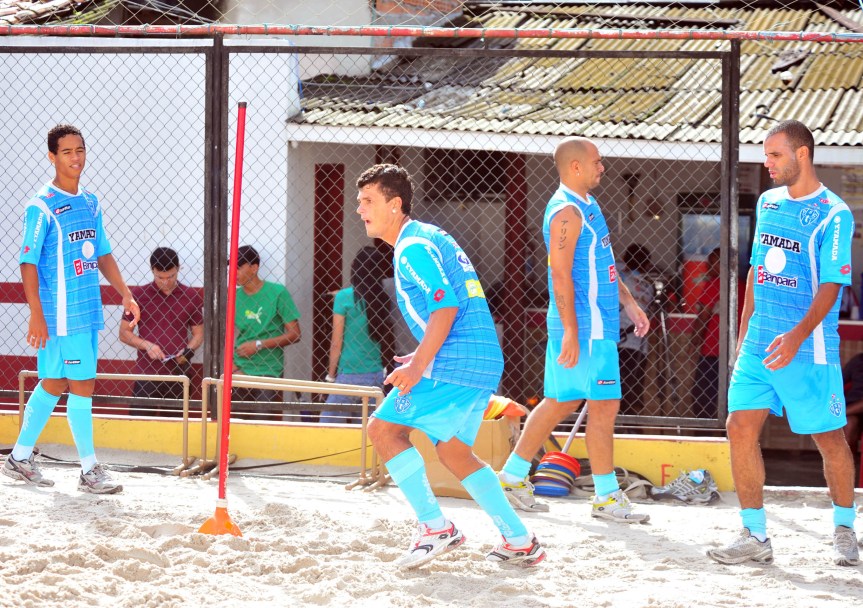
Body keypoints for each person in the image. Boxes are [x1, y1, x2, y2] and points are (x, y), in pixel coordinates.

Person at [356, 164, 545, 569]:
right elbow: (452, 305)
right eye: (359, 202)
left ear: (395, 204)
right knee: (456, 453)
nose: (360, 209)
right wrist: (422, 355)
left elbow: (446, 305)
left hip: (455, 361)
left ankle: (435, 527)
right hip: (481, 359)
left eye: (368, 201)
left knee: (383, 430)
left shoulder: (412, 247)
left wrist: (419, 365)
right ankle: (519, 540)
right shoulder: (428, 236)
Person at [706, 120, 859, 567]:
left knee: (829, 440)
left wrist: (796, 336)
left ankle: (844, 528)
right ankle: (755, 535)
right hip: (759, 347)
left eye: (775, 155)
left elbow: (831, 286)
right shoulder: (768, 201)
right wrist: (743, 335)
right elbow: (756, 271)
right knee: (739, 427)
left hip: (808, 350)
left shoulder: (834, 214)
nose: (767, 163)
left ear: (802, 154)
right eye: (766, 155)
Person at [496, 137, 651, 520]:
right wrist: (570, 330)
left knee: (561, 401)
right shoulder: (566, 212)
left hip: (593, 324)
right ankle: (607, 497)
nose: (602, 167)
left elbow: (605, 264)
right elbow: (559, 273)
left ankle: (511, 479)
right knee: (603, 405)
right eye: (597, 162)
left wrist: (629, 303)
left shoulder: (587, 204)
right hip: (587, 327)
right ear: (575, 166)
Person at [2, 124, 140, 493]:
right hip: (61, 316)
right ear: (52, 157)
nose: (75, 158)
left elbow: (103, 253)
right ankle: (90, 470)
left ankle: (19, 457)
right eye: (66, 152)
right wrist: (36, 313)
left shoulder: (91, 202)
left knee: (54, 382)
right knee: (82, 385)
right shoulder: (41, 205)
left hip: (86, 309)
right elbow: (27, 262)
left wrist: (125, 293)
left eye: (80, 150)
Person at [119, 247, 203, 414]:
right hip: (147, 373)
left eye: (170, 276)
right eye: (160, 277)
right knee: (139, 421)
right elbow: (124, 333)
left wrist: (187, 352)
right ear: (152, 270)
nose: (165, 282)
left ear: (178, 269)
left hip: (178, 373)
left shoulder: (191, 296)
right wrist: (147, 345)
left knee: (176, 424)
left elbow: (199, 333)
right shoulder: (139, 295)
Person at [320, 246, 394, 424]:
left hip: (348, 374)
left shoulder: (344, 298)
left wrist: (330, 376)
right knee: (365, 428)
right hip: (376, 374)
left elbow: (336, 343)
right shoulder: (383, 298)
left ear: (355, 267)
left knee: (327, 424)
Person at [232, 245, 301, 417]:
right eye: (231, 267)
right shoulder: (233, 297)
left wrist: (258, 344)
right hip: (240, 369)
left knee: (261, 423)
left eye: (238, 267)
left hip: (268, 370)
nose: (233, 272)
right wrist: (232, 366)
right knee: (236, 425)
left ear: (254, 268)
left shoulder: (277, 293)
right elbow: (226, 335)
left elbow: (295, 334)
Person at [617, 243, 654, 416]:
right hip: (639, 345)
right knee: (634, 390)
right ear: (647, 264)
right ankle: (632, 421)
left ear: (625, 259)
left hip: (618, 341)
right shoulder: (649, 286)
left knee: (614, 388)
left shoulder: (621, 279)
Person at [842, 353, 863, 449]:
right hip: (854, 405)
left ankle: (839, 414)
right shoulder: (858, 360)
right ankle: (847, 459)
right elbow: (839, 381)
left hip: (853, 408)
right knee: (849, 423)